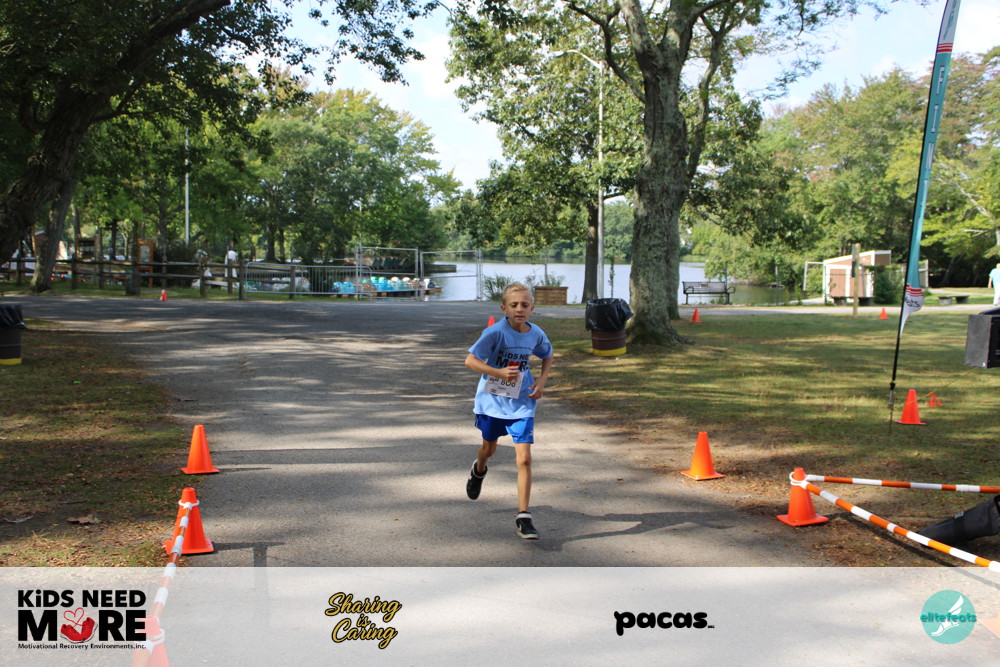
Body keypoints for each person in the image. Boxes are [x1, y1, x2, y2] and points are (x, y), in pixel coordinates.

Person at [464, 282, 554, 539]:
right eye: (514, 305)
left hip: (522, 402)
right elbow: (470, 360)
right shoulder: (495, 332)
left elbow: (547, 355)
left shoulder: (535, 333)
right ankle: (479, 469)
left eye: (525, 305)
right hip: (492, 402)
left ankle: (524, 517)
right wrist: (499, 372)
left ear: (532, 309)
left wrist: (542, 381)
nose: (519, 309)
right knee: (488, 450)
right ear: (504, 308)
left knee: (524, 459)